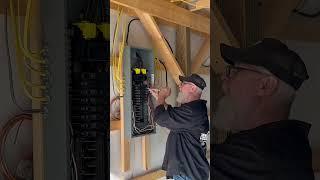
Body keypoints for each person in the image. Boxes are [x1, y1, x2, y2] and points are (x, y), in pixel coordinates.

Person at [213, 38, 314, 179]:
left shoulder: (264, 157)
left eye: (234, 71)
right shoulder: (285, 149)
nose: (223, 77)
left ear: (265, 85)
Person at [149, 74, 210, 180]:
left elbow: (160, 117)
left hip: (187, 174)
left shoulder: (192, 112)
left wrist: (162, 96)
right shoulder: (195, 110)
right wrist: (159, 98)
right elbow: (172, 115)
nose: (180, 87)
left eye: (183, 84)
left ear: (192, 88)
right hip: (190, 172)